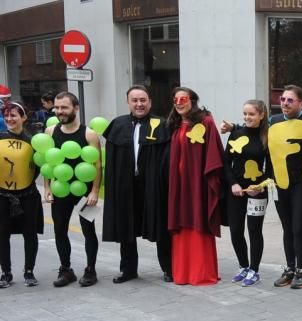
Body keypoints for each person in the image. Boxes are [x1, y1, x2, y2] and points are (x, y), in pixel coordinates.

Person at [102, 85, 173, 283]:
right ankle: (128, 269)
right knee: (126, 226)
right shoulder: (118, 124)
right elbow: (111, 161)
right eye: (135, 100)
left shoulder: (162, 124)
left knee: (160, 225)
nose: (139, 104)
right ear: (128, 103)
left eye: (143, 100)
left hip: (153, 184)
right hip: (125, 184)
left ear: (150, 101)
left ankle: (169, 267)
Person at [166, 86, 223, 286]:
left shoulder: (206, 122)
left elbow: (215, 153)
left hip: (197, 184)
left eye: (184, 99)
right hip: (179, 186)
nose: (179, 103)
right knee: (180, 222)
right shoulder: (175, 125)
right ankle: (182, 273)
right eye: (176, 100)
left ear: (192, 101)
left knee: (198, 219)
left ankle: (201, 273)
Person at [46, 91, 101, 287]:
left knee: (89, 230)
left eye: (64, 107)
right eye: (57, 107)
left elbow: (97, 165)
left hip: (86, 192)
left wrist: (95, 191)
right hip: (60, 189)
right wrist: (47, 187)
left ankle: (90, 271)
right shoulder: (50, 131)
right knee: (60, 230)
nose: (60, 111)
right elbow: (48, 160)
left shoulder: (89, 134)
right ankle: (66, 270)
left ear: (76, 109)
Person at [222, 100, 270, 287]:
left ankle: (254, 270)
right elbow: (226, 162)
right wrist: (233, 183)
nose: (247, 117)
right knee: (235, 230)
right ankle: (243, 266)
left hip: (258, 191)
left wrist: (260, 185)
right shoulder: (236, 133)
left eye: (251, 114)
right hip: (236, 191)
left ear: (261, 115)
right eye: (245, 114)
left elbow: (272, 168)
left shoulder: (267, 136)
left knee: (254, 231)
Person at [268, 85, 302, 289]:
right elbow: (252, 127)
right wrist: (232, 128)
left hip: (300, 183)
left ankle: (300, 270)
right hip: (279, 183)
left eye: (290, 100)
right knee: (287, 228)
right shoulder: (273, 121)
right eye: (283, 99)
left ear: (301, 103)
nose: (285, 103)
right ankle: (290, 268)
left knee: (297, 227)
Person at [0, 100, 42, 287]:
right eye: (6, 115)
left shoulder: (34, 140)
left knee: (30, 233)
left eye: (13, 115)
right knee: (2, 234)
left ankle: (29, 271)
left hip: (28, 194)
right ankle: (6, 272)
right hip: (2, 194)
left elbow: (39, 167)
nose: (9, 118)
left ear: (23, 117)